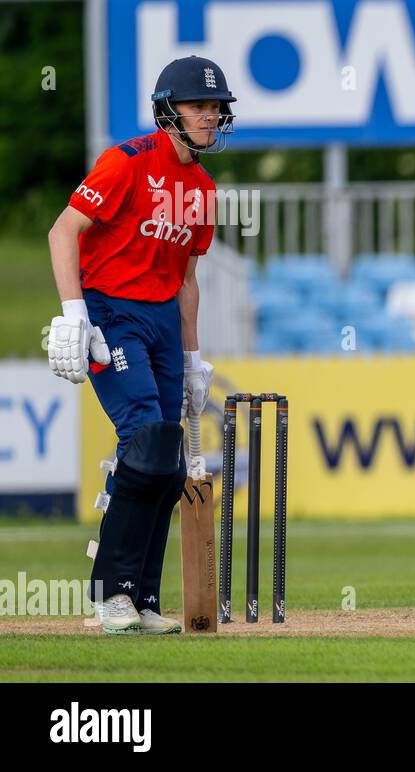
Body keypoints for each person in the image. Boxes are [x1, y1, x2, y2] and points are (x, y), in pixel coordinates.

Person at [47, 56, 235, 633]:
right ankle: (109, 595)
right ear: (168, 111)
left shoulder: (203, 188)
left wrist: (193, 356)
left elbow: (185, 279)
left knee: (168, 460)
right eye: (197, 106)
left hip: (159, 318)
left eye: (215, 108)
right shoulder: (126, 161)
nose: (208, 116)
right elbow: (63, 231)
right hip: (110, 309)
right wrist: (75, 315)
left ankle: (142, 598)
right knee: (146, 439)